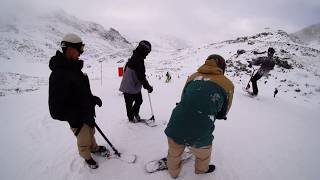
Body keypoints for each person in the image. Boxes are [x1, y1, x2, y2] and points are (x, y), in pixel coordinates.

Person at [164, 54, 234, 178]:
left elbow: (183, 97)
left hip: (176, 121)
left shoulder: (193, 76)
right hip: (201, 128)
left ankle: (173, 172)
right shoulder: (227, 84)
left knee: (174, 153)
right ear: (222, 67)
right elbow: (224, 111)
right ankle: (201, 170)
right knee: (204, 154)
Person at [48, 33, 108, 169]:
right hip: (77, 118)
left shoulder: (74, 69)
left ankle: (94, 148)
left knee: (91, 132)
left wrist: (92, 99)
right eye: (79, 50)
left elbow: (80, 92)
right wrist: (79, 114)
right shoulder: (59, 75)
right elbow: (56, 109)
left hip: (86, 112)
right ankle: (87, 156)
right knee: (83, 139)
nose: (80, 54)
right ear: (70, 50)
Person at [119, 40, 153, 123]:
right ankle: (131, 120)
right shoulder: (138, 60)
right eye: (147, 52)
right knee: (130, 104)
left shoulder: (135, 57)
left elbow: (129, 71)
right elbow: (141, 76)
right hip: (129, 86)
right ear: (144, 50)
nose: (147, 54)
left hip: (132, 86)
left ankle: (134, 114)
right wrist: (148, 87)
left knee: (138, 101)